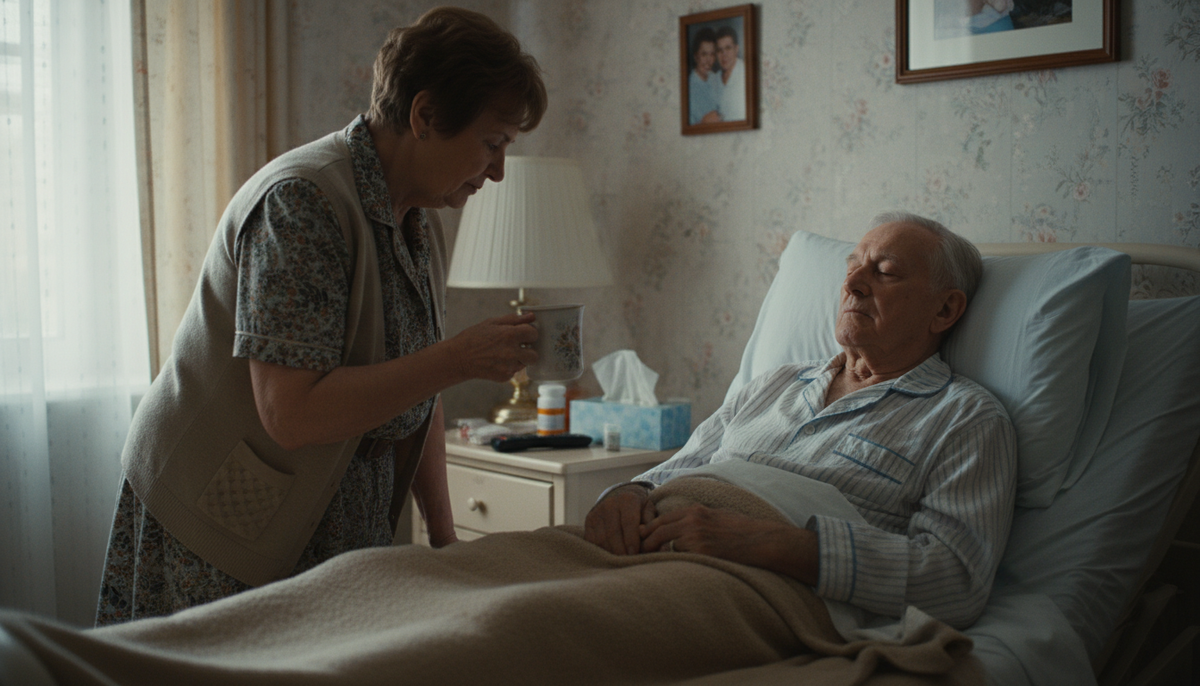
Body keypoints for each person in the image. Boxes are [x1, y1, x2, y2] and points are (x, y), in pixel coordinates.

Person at [95, 7, 547, 626]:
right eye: (492, 144)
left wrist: (444, 540)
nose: (497, 171)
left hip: (330, 533)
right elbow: (292, 413)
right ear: (425, 116)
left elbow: (419, 391)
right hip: (213, 523)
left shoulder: (419, 223)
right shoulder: (301, 203)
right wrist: (459, 358)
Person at [584, 212, 1017, 629]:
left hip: (754, 590)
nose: (851, 283)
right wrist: (627, 493)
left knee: (552, 623)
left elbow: (955, 582)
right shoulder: (774, 383)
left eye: (885, 272)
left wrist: (767, 543)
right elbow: (675, 470)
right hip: (649, 548)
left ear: (944, 310)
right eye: (852, 267)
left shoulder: (965, 419)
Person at [687, 28, 722, 126]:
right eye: (704, 54)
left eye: (712, 54)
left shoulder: (717, 79)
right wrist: (703, 122)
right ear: (696, 56)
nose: (708, 60)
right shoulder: (688, 88)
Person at [714, 25, 746, 122]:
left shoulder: (746, 74)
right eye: (720, 50)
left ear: (736, 49)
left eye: (728, 48)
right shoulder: (714, 79)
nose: (724, 55)